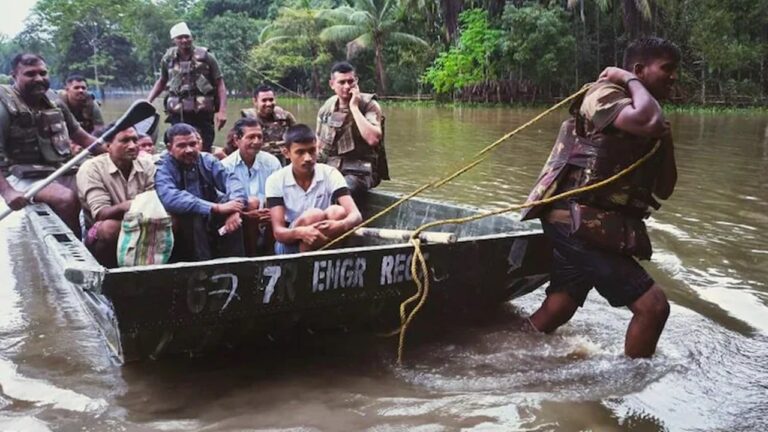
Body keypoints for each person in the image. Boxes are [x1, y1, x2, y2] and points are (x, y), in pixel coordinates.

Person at [520, 37, 680, 358]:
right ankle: (631, 390)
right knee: (653, 307)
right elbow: (642, 119)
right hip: (573, 220)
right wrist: (628, 80)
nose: (673, 77)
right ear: (638, 69)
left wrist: (663, 135)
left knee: (560, 307)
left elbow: (664, 187)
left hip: (596, 224)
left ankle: (501, 349)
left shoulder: (652, 120)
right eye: (666, 69)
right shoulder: (603, 93)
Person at [0, 53, 97, 235]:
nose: (39, 79)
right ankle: (78, 248)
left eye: (43, 73)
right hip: (17, 175)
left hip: (56, 169)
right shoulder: (4, 105)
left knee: (96, 185)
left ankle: (96, 239)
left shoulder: (54, 101)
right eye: (30, 74)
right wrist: (7, 192)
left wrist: (109, 151)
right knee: (65, 199)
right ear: (14, 75)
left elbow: (79, 135)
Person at [155, 123, 246, 261]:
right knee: (193, 214)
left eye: (193, 144)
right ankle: (203, 269)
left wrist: (235, 209)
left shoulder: (207, 160)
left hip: (211, 218)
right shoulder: (163, 167)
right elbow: (170, 198)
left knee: (234, 208)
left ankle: (237, 265)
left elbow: (232, 181)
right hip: (184, 224)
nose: (189, 150)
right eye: (181, 146)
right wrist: (214, 207)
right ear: (169, 148)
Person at [265, 124, 362, 254]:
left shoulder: (330, 173)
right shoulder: (275, 180)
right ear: (286, 153)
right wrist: (301, 232)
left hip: (324, 237)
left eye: (312, 151)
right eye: (300, 152)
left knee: (337, 212)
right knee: (314, 215)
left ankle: (324, 261)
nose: (308, 158)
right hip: (290, 244)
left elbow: (356, 215)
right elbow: (278, 232)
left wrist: (341, 225)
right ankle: (307, 267)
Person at [76, 125, 155, 267]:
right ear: (108, 146)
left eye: (135, 140)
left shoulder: (147, 165)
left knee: (173, 222)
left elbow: (154, 201)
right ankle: (108, 273)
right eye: (125, 141)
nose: (132, 146)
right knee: (109, 229)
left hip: (141, 222)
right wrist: (129, 206)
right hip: (101, 232)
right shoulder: (91, 168)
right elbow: (100, 213)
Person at [147, 22, 227, 153]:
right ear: (174, 40)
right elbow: (162, 81)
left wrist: (222, 111)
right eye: (179, 38)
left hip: (202, 113)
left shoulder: (207, 57)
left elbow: (220, 84)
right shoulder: (168, 59)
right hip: (178, 114)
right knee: (179, 148)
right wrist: (147, 101)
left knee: (204, 147)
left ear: (191, 37)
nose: (184, 40)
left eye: (187, 36)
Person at [316, 61, 389, 198]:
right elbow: (319, 143)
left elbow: (373, 139)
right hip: (332, 168)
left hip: (360, 172)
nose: (347, 87)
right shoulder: (327, 107)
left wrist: (354, 107)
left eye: (351, 82)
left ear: (356, 81)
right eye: (341, 82)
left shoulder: (369, 105)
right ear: (332, 84)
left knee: (342, 189)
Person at [221, 117, 281, 255]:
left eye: (259, 137)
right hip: (241, 219)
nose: (256, 142)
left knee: (273, 210)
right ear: (237, 140)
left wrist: (271, 212)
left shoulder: (272, 163)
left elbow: (279, 195)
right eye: (251, 137)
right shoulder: (225, 166)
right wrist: (247, 215)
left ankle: (272, 257)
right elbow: (224, 201)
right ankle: (250, 259)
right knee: (252, 203)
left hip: (268, 217)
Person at [241, 84, 296, 165]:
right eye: (264, 100)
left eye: (271, 100)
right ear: (255, 101)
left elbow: (299, 136)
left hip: (283, 159)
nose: (269, 104)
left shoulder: (286, 117)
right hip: (258, 161)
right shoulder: (247, 119)